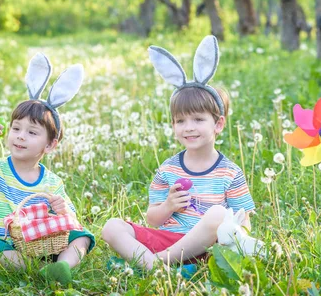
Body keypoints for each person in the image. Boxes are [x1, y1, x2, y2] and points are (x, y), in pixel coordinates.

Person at [102, 36, 255, 271]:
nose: (189, 127)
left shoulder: (230, 173)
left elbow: (244, 223)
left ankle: (154, 264)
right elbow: (153, 220)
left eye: (198, 119)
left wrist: (234, 236)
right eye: (180, 121)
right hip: (168, 241)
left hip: (209, 248)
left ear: (219, 124)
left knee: (217, 215)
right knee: (111, 227)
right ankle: (159, 262)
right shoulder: (168, 169)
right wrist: (169, 206)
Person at [0, 54, 94, 285]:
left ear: (50, 145)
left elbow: (71, 221)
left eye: (32, 132)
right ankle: (40, 270)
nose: (20, 136)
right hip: (8, 244)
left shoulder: (52, 181)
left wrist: (62, 210)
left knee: (82, 237)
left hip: (43, 242)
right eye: (16, 128)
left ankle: (62, 265)